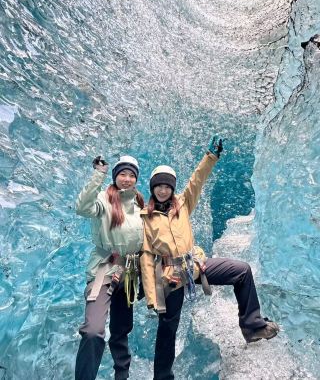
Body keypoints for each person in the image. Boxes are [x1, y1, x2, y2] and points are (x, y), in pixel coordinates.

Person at [140, 137, 280, 380]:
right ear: (152, 188)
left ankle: (252, 326)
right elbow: (145, 258)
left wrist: (211, 156)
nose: (163, 190)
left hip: (194, 267)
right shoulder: (145, 218)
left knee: (242, 271)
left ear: (172, 188)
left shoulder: (182, 205)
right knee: (167, 330)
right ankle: (162, 377)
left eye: (167, 186)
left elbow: (197, 179)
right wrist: (152, 296)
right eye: (158, 186)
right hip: (170, 278)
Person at [75, 155, 144, 380]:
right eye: (122, 174)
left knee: (121, 332)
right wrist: (99, 175)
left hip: (129, 275)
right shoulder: (104, 200)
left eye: (131, 175)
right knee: (93, 331)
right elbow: (82, 208)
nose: (127, 179)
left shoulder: (139, 203)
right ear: (115, 176)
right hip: (103, 272)